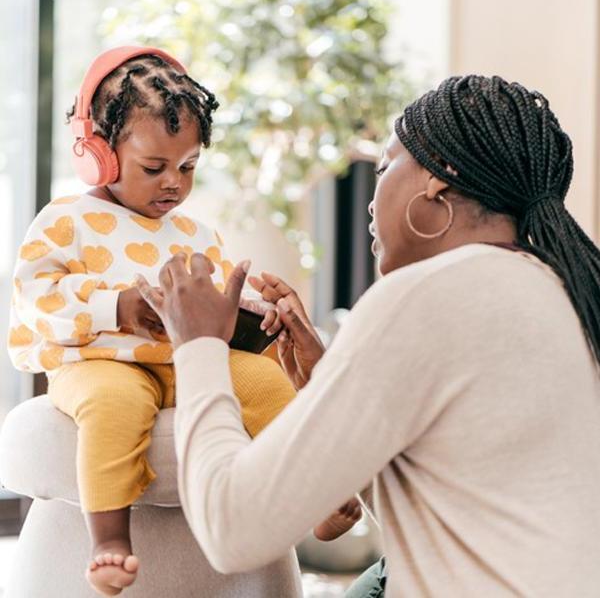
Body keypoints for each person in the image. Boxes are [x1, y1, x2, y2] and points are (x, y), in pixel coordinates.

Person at [138, 75, 600, 597]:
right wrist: (324, 382)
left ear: (437, 179)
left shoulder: (428, 295)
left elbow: (231, 530)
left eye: (384, 167)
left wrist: (198, 345)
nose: (371, 204)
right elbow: (452, 517)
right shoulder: (561, 288)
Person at [7, 46, 357, 597]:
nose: (174, 183)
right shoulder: (65, 220)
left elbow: (210, 305)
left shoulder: (195, 234)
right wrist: (118, 307)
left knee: (266, 384)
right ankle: (109, 541)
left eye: (188, 166)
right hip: (99, 361)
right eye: (155, 168)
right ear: (98, 150)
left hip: (183, 362)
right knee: (116, 406)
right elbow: (35, 298)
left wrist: (252, 317)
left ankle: (315, 504)